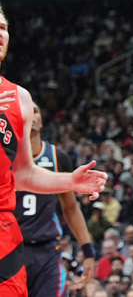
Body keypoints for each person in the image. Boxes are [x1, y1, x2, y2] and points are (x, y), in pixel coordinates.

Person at [0, 3, 108, 296]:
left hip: (8, 240)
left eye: (4, 28)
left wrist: (70, 180)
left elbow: (21, 173)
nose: (0, 34)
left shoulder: (19, 98)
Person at [14, 105, 97, 297]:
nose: (32, 116)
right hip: (11, 250)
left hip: (47, 250)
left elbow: (70, 207)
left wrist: (88, 250)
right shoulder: (6, 157)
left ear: (42, 120)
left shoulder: (57, 157)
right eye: (26, 111)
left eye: (36, 110)